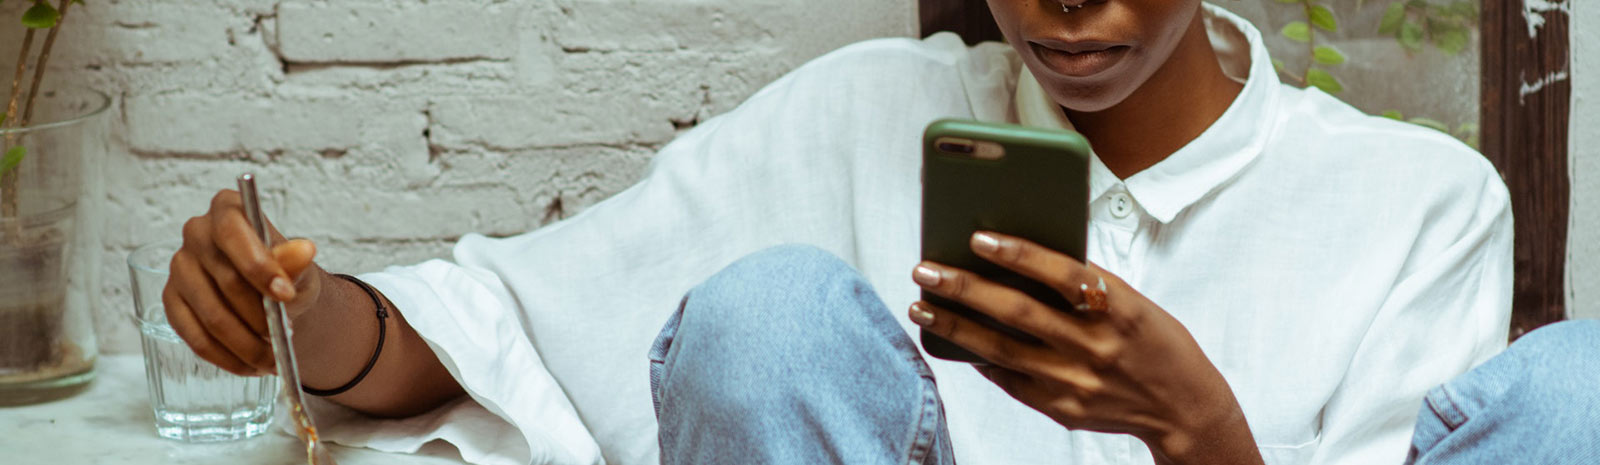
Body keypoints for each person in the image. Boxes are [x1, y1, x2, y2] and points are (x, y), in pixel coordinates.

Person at [159, 0, 1593, 464]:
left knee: (1579, 389)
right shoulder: (861, 115)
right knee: (768, 313)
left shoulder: (1416, 198)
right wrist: (302, 309)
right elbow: (514, 322)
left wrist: (1200, 432)